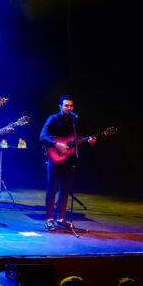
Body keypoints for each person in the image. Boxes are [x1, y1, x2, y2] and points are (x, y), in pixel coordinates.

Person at [40, 95, 96, 229]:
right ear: (60, 107)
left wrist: (89, 141)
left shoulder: (74, 121)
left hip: (68, 158)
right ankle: (49, 219)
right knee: (52, 189)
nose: (69, 108)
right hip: (54, 157)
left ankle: (62, 218)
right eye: (66, 106)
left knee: (66, 189)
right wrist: (56, 144)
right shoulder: (53, 119)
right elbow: (42, 136)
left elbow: (77, 138)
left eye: (71, 106)